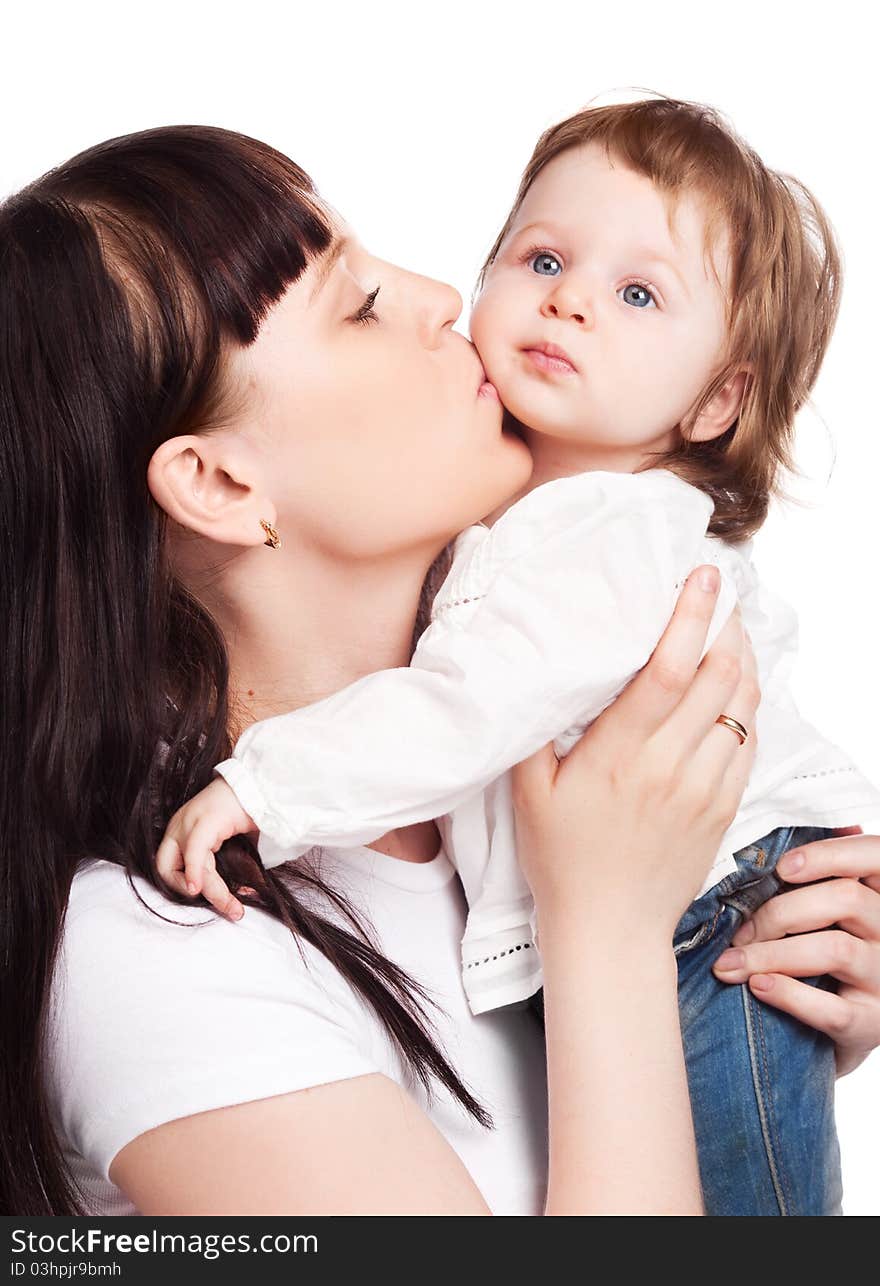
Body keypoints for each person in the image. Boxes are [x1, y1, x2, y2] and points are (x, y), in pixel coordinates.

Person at [0, 125, 878, 1219]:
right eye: (358, 304)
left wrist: (783, 997)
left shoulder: (525, 769)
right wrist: (609, 929)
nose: (438, 298)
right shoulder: (158, 951)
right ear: (223, 484)